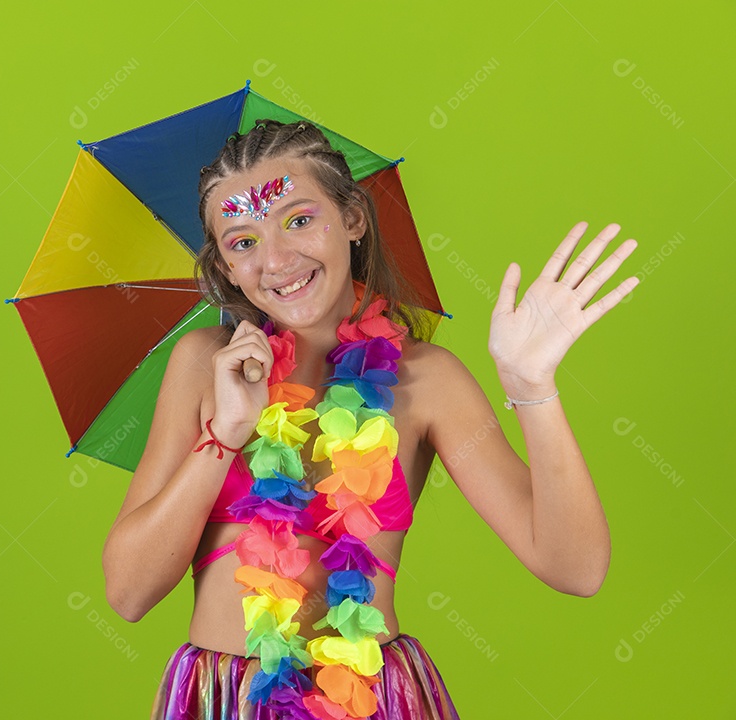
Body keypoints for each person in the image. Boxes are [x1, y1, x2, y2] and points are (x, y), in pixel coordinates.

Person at [102, 119, 637, 719]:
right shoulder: (203, 366)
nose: (276, 260)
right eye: (242, 241)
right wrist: (224, 434)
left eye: (299, 220)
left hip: (370, 700)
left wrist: (531, 386)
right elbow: (128, 592)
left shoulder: (426, 380)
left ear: (353, 218)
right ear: (225, 267)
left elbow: (577, 569)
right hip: (224, 700)